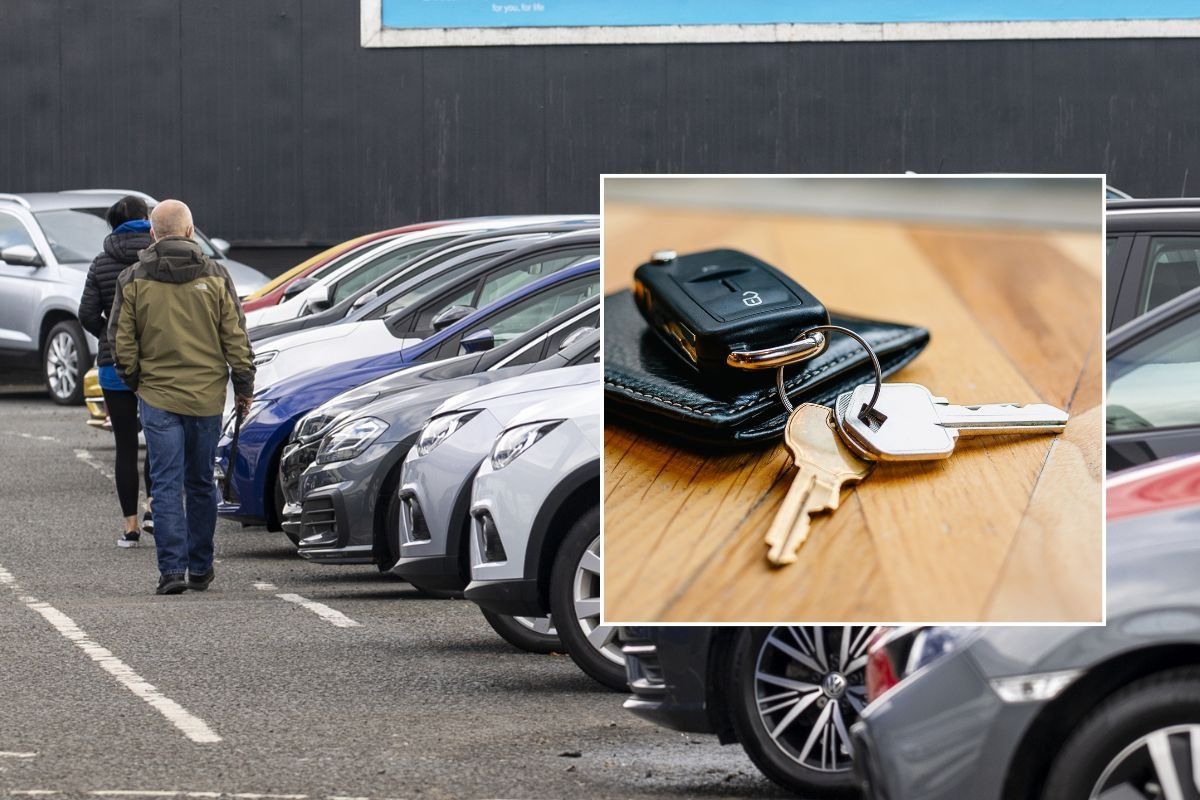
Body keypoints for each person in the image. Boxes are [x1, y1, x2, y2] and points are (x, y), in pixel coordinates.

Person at [108, 199, 255, 595]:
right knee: (201, 482)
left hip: (157, 395)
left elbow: (121, 341)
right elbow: (235, 338)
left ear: (153, 234)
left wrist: (135, 379)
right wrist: (243, 386)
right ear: (190, 232)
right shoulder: (217, 276)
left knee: (166, 484)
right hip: (206, 396)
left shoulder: (133, 278)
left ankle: (171, 571)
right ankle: (201, 567)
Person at [78, 196, 155, 547]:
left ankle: (129, 527)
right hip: (157, 363)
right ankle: (155, 508)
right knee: (158, 440)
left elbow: (86, 314)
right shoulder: (157, 256)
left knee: (125, 445)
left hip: (113, 366)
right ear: (146, 219)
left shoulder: (101, 261)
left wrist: (109, 337)